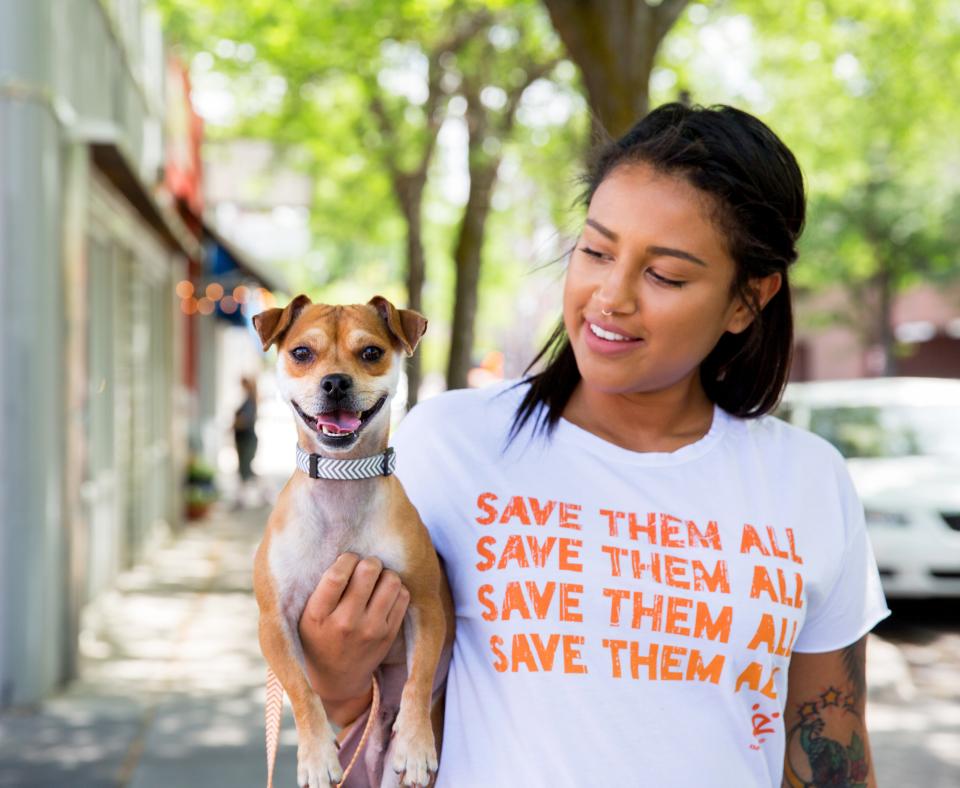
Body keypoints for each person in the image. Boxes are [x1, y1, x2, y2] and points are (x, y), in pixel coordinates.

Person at [296, 103, 890, 787]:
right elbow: (367, 714)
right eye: (597, 250)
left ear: (746, 300)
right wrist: (335, 676)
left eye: (664, 274)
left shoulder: (807, 480)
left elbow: (831, 749)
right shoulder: (451, 445)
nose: (610, 296)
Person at [232, 375, 259, 505]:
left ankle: (242, 498)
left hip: (247, 440)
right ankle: (241, 497)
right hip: (243, 439)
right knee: (245, 469)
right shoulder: (249, 400)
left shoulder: (250, 401)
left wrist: (234, 424)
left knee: (245, 469)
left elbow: (244, 421)